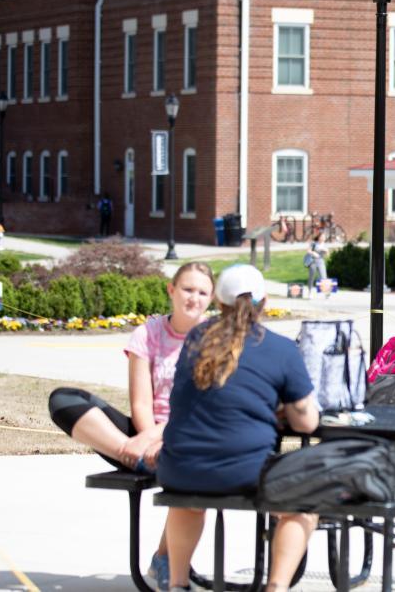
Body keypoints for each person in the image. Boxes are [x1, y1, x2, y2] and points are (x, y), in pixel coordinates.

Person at [48, 262, 215, 589]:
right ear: (171, 289)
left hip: (188, 435)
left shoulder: (214, 338)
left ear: (210, 298)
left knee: (194, 468)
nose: (193, 298)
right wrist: (144, 442)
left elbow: (202, 408)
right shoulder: (148, 333)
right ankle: (134, 458)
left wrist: (158, 437)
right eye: (187, 289)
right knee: (63, 400)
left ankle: (165, 559)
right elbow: (141, 402)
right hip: (144, 437)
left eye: (202, 292)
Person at [159, 265, 319, 592]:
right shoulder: (281, 349)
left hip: (178, 467)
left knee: (188, 501)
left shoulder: (195, 338)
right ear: (264, 302)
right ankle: (276, 587)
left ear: (218, 302)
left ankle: (177, 585)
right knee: (303, 508)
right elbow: (306, 422)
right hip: (244, 471)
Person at [303, 234, 329, 298]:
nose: (323, 238)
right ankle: (310, 292)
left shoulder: (324, 245)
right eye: (322, 237)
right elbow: (308, 250)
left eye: (324, 237)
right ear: (319, 237)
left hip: (321, 262)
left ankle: (326, 292)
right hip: (313, 261)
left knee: (324, 276)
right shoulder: (314, 243)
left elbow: (327, 254)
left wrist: (326, 251)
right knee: (311, 277)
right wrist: (313, 253)